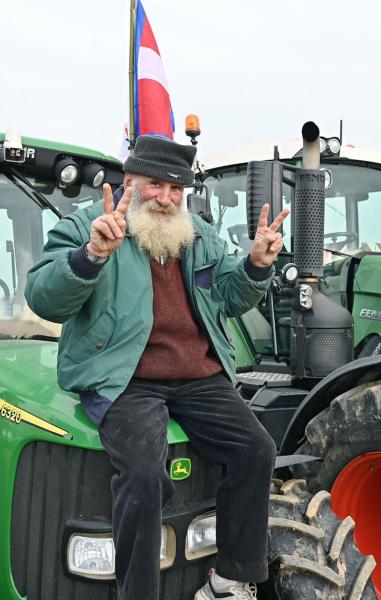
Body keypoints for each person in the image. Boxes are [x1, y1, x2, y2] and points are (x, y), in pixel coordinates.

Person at [25, 135, 289, 600]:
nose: (166, 199)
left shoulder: (198, 234)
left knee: (258, 450)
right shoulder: (89, 225)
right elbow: (43, 298)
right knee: (145, 471)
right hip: (126, 376)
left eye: (176, 190)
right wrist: (90, 258)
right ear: (130, 181)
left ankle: (228, 579)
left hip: (198, 375)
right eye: (156, 185)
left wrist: (254, 265)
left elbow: (227, 298)